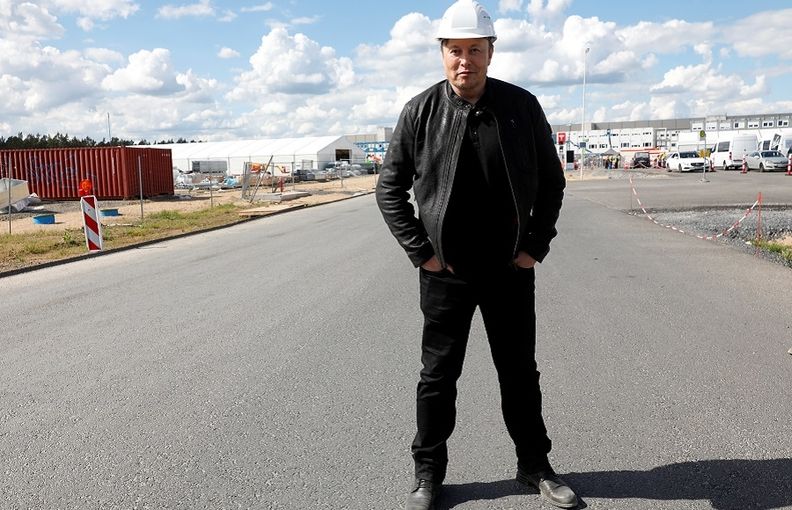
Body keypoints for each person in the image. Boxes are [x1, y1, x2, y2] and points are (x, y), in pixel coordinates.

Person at [375, 1, 578, 509]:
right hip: (445, 274)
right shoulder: (420, 111)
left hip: (509, 270)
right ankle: (428, 475)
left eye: (475, 49)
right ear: (442, 53)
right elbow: (389, 189)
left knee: (519, 373)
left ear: (490, 52)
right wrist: (422, 253)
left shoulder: (521, 106)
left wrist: (534, 247)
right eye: (455, 50)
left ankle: (535, 467)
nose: (464, 60)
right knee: (438, 377)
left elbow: (552, 183)